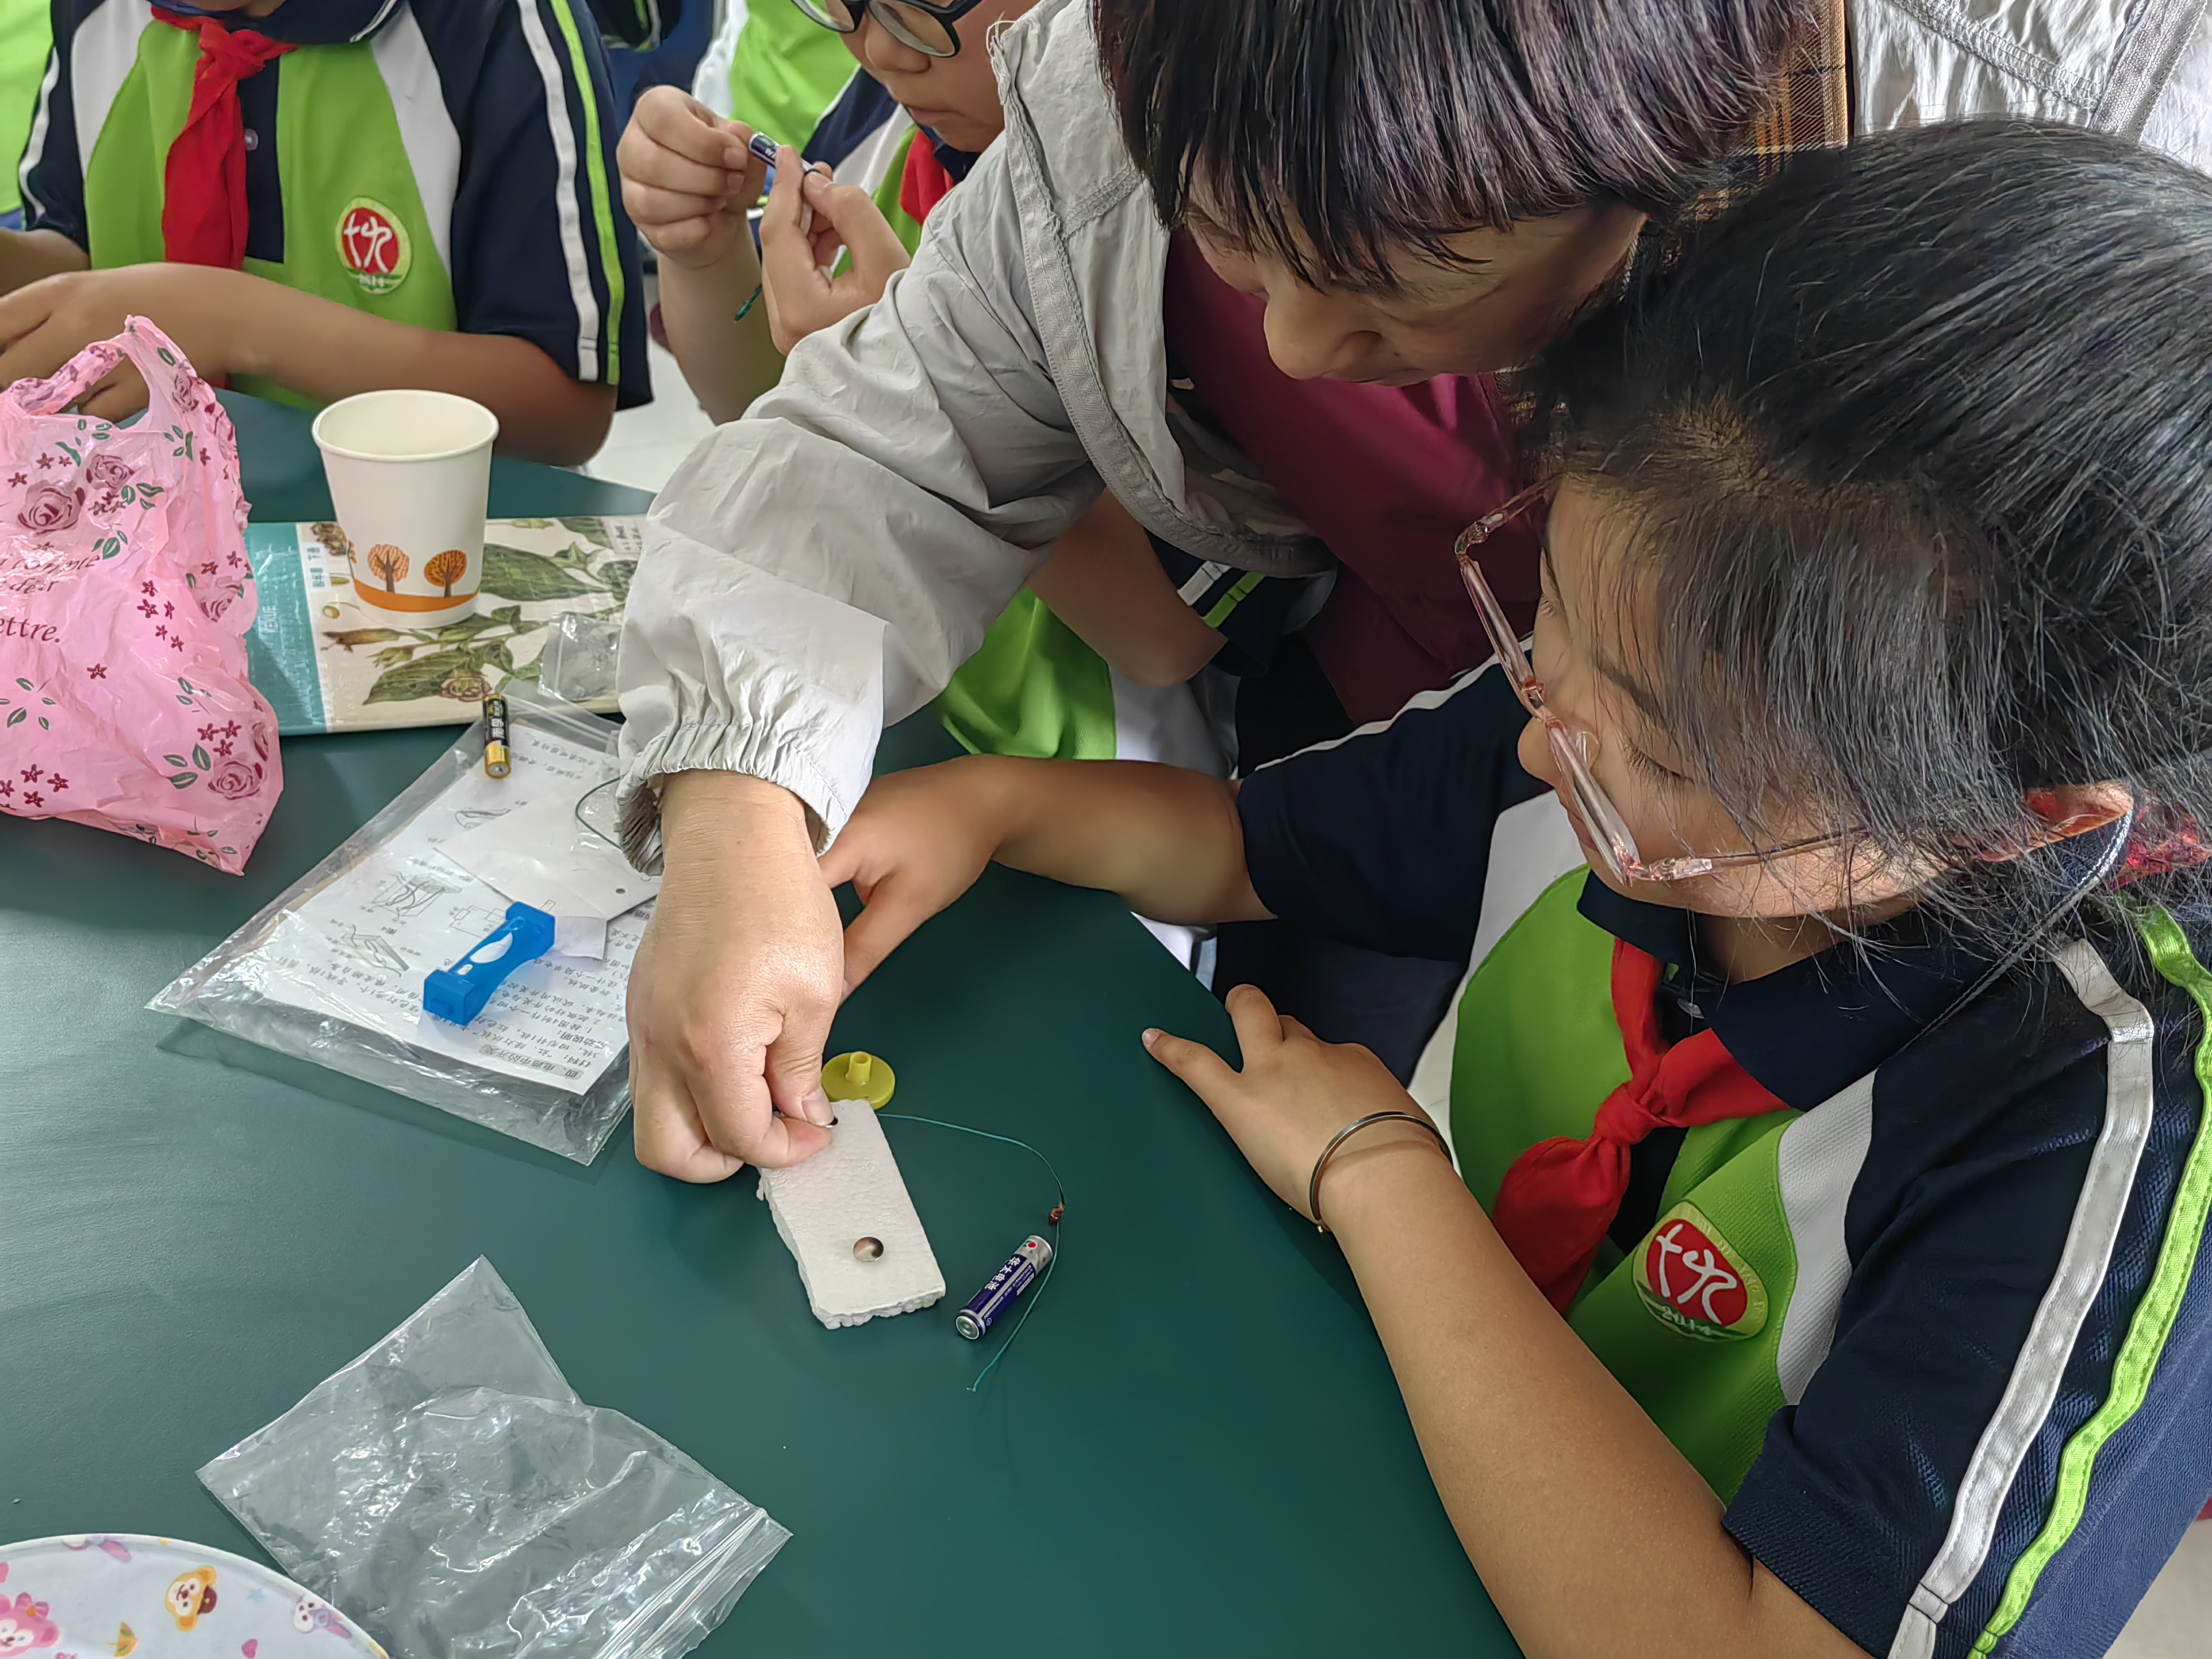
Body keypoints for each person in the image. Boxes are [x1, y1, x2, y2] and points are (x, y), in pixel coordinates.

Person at [817, 122, 2212, 1657]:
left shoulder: (2109, 1118)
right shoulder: (1617, 693)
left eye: (1659, 752)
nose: (1546, 742)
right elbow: (1247, 844)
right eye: (1548, 615)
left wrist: (1384, 1179)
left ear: (2010, 821)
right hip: (1388, 1464)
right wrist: (990, 803)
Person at [615, 0, 1829, 1177]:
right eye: (1229, 244)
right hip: (1387, 740)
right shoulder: (1106, 103)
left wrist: (1381, 1187)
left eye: (1391, 298)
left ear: (1640, 182)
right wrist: (737, 817)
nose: (1295, 350)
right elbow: (873, 453)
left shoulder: (1866, 283)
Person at [1, 0, 650, 465]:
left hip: (417, 557)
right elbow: (82, 256)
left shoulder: (495, 22)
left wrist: (238, 322)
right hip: (143, 545)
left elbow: (563, 415)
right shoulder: (98, 14)